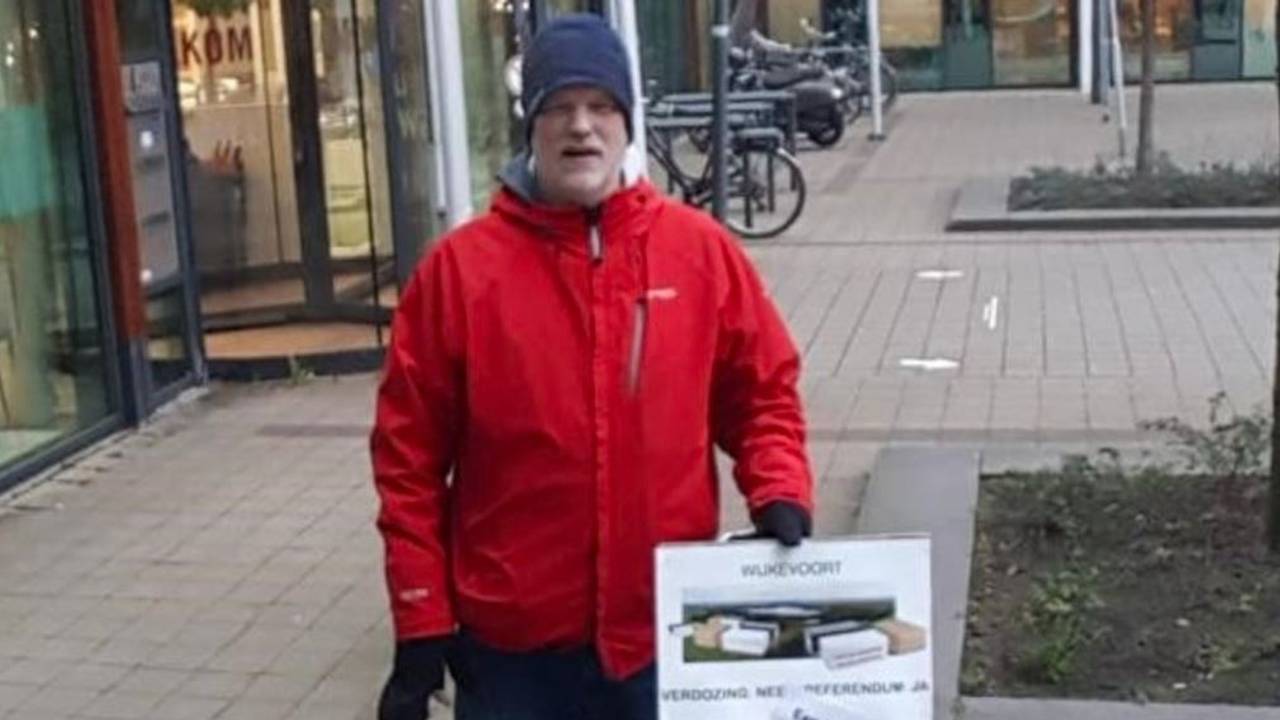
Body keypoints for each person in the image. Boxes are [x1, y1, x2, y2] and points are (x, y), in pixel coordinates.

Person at [371, 14, 813, 720]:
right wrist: (421, 617)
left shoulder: (698, 254)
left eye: (602, 106)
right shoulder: (459, 274)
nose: (582, 127)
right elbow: (408, 463)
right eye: (559, 107)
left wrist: (778, 486)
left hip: (665, 641)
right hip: (514, 656)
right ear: (532, 126)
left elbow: (762, 395)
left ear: (627, 124)